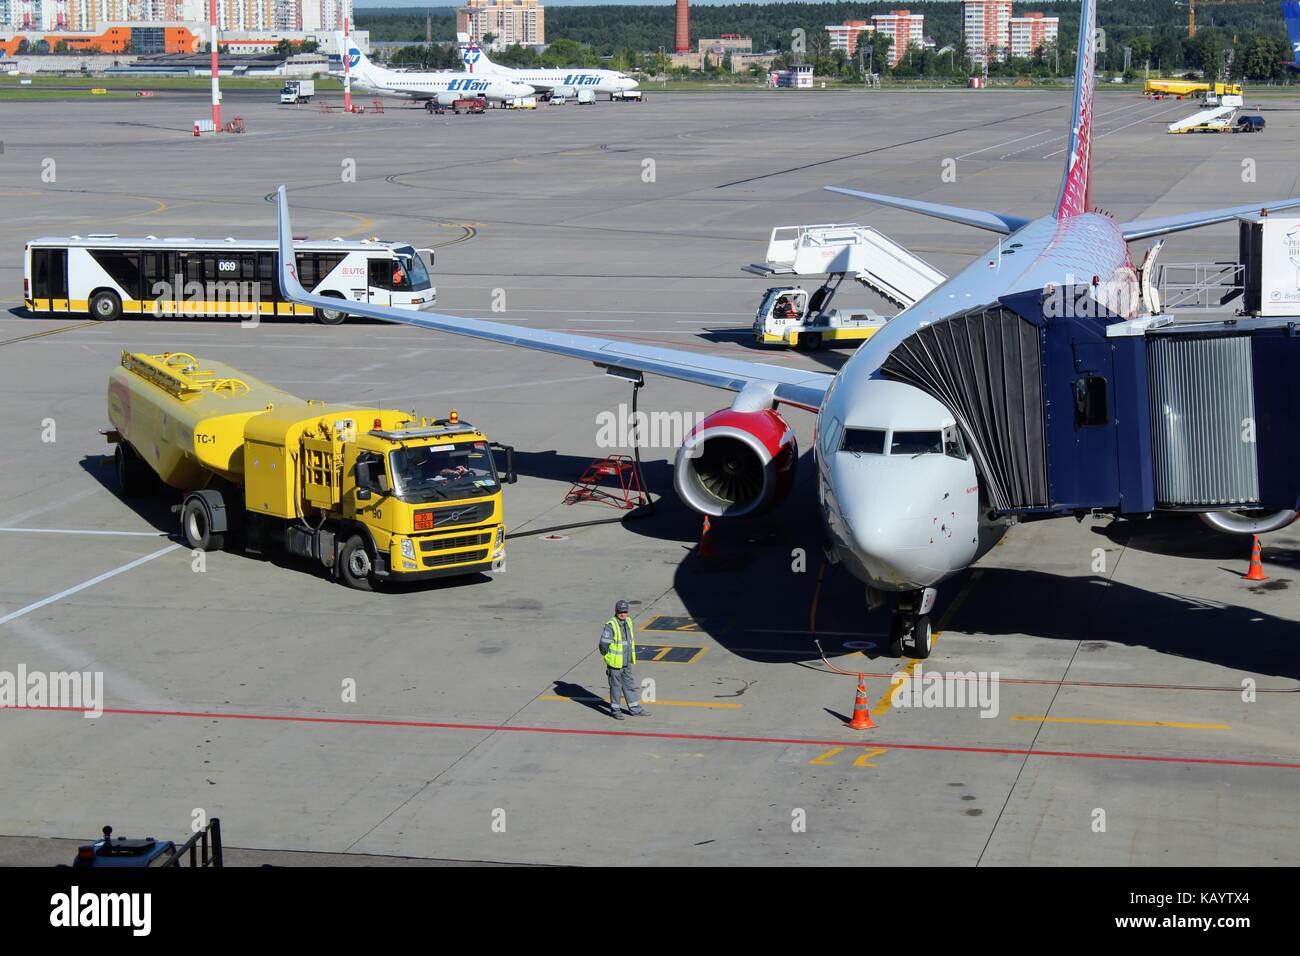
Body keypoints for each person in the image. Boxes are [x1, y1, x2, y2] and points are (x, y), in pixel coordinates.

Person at [599, 599, 649, 720]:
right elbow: (603, 644)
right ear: (616, 611)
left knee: (629, 685)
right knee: (616, 687)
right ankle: (615, 710)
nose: (623, 614)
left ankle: (635, 709)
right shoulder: (611, 625)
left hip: (626, 662)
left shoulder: (628, 622)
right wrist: (608, 657)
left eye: (625, 611)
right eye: (621, 611)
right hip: (615, 663)